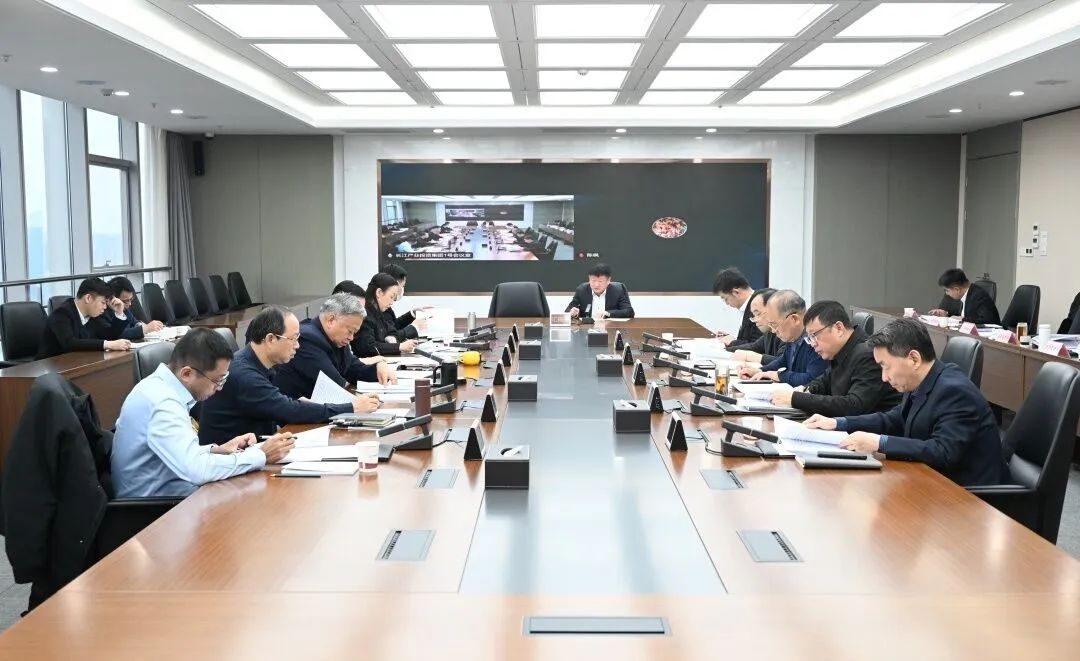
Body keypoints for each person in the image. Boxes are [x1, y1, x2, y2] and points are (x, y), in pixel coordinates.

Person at [805, 319, 1006, 486]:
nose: (884, 377)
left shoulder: (955, 391)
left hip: (968, 497)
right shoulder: (921, 381)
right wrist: (839, 423)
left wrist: (879, 442)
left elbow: (943, 452)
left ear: (914, 359)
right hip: (932, 481)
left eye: (886, 366)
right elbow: (895, 419)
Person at [110, 328, 295, 498]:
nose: (219, 388)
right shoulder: (162, 403)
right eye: (217, 380)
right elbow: (196, 470)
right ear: (187, 374)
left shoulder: (162, 388)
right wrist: (260, 455)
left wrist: (217, 450)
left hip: (177, 492)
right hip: (155, 510)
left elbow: (178, 451)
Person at [197, 306, 382, 446]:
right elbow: (289, 410)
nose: (298, 346)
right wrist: (352, 407)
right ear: (270, 339)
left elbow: (282, 406)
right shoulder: (244, 374)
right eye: (293, 339)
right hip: (231, 467)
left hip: (254, 452)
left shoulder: (262, 364)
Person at [770, 300, 901, 416]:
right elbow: (823, 382)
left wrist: (796, 399)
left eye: (814, 336)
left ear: (838, 328)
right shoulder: (841, 350)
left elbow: (854, 405)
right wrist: (805, 390)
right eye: (809, 338)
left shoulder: (867, 354)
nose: (813, 343)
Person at [274, 293, 397, 400]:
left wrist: (377, 368)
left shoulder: (336, 339)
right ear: (331, 320)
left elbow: (353, 369)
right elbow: (335, 383)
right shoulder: (307, 339)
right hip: (293, 416)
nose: (351, 338)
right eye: (350, 331)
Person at [738, 290, 827, 386]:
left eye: (774, 325)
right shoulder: (793, 336)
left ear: (794, 319)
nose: (773, 331)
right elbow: (783, 361)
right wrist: (759, 371)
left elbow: (812, 379)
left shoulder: (816, 341)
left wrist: (779, 376)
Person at [36, 277, 132, 359]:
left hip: (79, 361)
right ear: (88, 298)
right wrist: (108, 344)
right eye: (103, 302)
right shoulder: (61, 313)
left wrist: (119, 313)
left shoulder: (92, 315)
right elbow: (69, 343)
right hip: (50, 366)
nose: (105, 307)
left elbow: (109, 336)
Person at [355, 273, 418, 358]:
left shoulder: (380, 313)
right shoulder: (364, 315)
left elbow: (392, 331)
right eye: (391, 297)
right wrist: (400, 346)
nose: (392, 302)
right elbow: (369, 347)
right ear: (379, 292)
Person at [730, 289, 787, 364]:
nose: (755, 320)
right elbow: (754, 347)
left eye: (758, 314)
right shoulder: (770, 332)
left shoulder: (789, 333)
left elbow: (785, 363)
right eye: (754, 315)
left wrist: (750, 356)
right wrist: (723, 350)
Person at [102, 276, 166, 341]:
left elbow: (133, 322)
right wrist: (146, 328)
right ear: (112, 298)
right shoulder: (102, 313)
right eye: (125, 301)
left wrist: (140, 325)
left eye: (131, 299)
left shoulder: (125, 309)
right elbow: (118, 334)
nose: (130, 304)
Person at [928, 268, 1000, 325]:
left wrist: (963, 319)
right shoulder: (961, 296)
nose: (946, 294)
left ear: (957, 289)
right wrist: (946, 314)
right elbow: (958, 315)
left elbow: (988, 320)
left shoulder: (979, 296)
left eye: (947, 290)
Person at [712, 267, 762, 347]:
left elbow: (759, 346)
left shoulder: (758, 307)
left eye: (726, 299)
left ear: (736, 292)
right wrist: (729, 339)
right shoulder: (749, 304)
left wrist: (733, 342)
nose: (726, 303)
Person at [565, 263, 634, 319]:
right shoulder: (581, 290)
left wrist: (608, 313)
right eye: (593, 281)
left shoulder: (618, 290)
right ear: (589, 279)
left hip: (610, 328)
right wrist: (573, 313)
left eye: (600, 281)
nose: (596, 285)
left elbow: (629, 312)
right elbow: (568, 310)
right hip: (587, 328)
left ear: (608, 280)